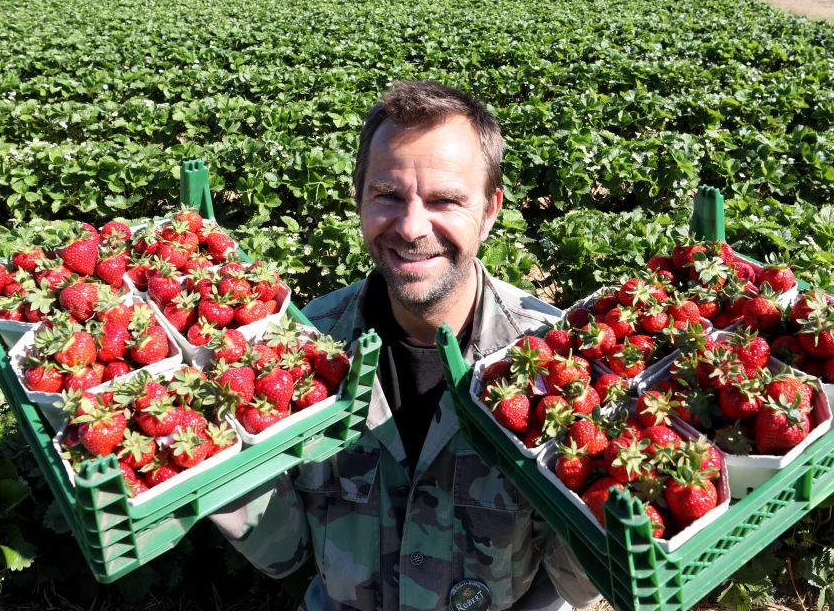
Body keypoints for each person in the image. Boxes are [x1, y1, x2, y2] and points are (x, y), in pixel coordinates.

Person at [211, 80, 601, 611]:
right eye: (388, 195)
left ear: (490, 211)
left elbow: (568, 579)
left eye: (445, 199)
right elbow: (287, 553)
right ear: (360, 200)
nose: (413, 226)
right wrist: (214, 457)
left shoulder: (555, 362)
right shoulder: (300, 348)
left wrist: (614, 533)